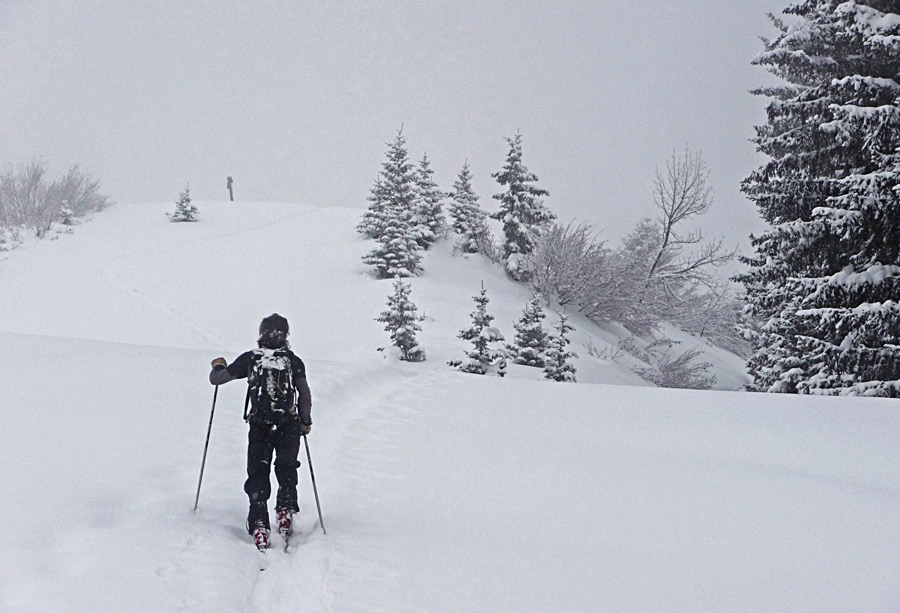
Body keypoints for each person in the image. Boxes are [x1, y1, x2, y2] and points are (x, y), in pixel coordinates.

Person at [209, 313, 312, 548]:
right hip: (288, 425)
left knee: (258, 472)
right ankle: (285, 512)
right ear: (285, 335)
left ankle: (259, 524)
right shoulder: (293, 361)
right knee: (286, 466)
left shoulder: (251, 359)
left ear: (261, 333)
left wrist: (218, 366)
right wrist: (304, 421)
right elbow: (304, 394)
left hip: (259, 426)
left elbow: (218, 380)